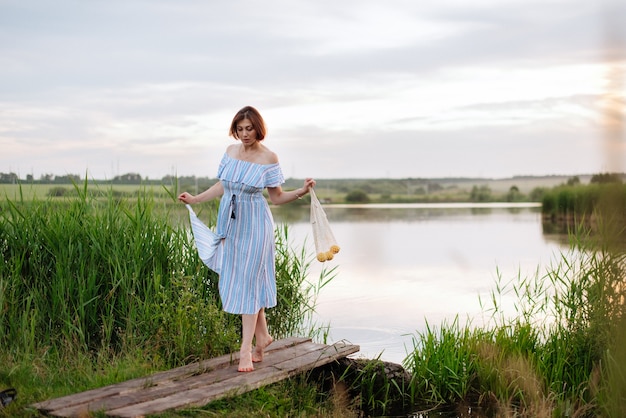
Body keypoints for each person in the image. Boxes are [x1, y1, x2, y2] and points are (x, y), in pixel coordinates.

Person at [178, 106, 316, 372]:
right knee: (244, 281)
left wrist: (301, 191)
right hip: (230, 225)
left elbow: (276, 198)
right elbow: (223, 185)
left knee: (249, 283)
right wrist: (195, 199)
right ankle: (263, 336)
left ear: (258, 128)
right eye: (239, 129)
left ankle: (245, 350)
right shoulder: (231, 152)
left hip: (256, 226)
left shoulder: (268, 157)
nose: (244, 134)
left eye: (249, 128)